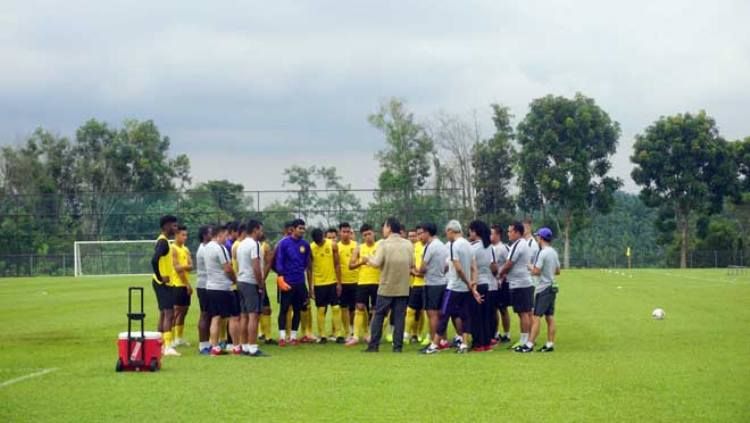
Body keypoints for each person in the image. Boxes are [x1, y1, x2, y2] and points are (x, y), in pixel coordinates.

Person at [362, 217, 414, 353]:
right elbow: (412, 264)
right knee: (399, 318)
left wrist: (367, 259)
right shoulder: (408, 244)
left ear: (389, 228)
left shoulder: (383, 244)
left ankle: (373, 345)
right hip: (403, 287)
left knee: (379, 315)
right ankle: (397, 347)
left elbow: (376, 263)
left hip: (386, 287)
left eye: (384, 227)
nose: (382, 230)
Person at [436, 220, 479, 354]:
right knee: (465, 316)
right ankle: (464, 344)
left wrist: (467, 283)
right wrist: (473, 285)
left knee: (443, 315)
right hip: (465, 289)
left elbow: (459, 269)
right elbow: (474, 268)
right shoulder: (468, 245)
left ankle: (434, 344)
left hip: (454, 286)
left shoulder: (454, 246)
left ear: (450, 231)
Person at [520, 227, 561, 353]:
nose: (537, 238)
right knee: (550, 317)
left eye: (538, 236)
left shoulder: (543, 253)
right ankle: (549, 344)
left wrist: (530, 268)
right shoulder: (553, 252)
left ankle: (529, 344)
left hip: (543, 288)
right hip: (552, 287)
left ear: (541, 238)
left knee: (536, 316)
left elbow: (536, 271)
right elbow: (558, 271)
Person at [205, 225, 241, 356]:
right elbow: (227, 268)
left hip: (211, 287)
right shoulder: (220, 248)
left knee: (216, 317)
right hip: (223, 287)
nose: (227, 238)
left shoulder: (207, 247)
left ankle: (214, 347)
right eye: (225, 235)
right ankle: (236, 346)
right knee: (234, 316)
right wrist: (235, 280)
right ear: (219, 235)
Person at [274, 219, 311, 346]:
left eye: (303, 228)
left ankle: (294, 336)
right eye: (300, 228)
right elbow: (279, 261)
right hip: (287, 281)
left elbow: (306, 263)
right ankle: (283, 337)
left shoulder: (305, 245)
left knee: (298, 309)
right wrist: (281, 277)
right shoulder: (284, 243)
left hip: (300, 282)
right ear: (293, 229)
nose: (302, 230)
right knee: (284, 309)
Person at [499, 221, 535, 351]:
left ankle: (524, 340)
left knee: (523, 313)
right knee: (525, 312)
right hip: (523, 282)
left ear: (517, 232)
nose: (508, 234)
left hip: (520, 284)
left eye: (510, 231)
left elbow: (509, 263)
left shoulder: (518, 245)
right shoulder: (523, 244)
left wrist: (500, 274)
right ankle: (528, 338)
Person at [236, 219, 269, 357]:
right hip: (251, 282)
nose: (261, 232)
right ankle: (253, 347)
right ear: (255, 229)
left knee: (244, 316)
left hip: (241, 281)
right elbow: (256, 265)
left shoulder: (241, 244)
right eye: (260, 229)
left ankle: (244, 346)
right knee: (253, 315)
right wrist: (260, 283)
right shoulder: (255, 245)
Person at [344, 224, 381, 346]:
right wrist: (361, 262)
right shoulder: (359, 248)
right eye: (365, 235)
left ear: (374, 233)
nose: (367, 237)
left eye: (369, 234)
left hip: (377, 282)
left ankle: (371, 334)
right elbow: (350, 265)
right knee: (359, 307)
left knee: (375, 309)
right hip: (363, 282)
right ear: (362, 236)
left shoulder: (380, 246)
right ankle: (355, 336)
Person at [418, 222, 449, 355]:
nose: (419, 237)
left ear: (427, 233)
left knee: (432, 315)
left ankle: (434, 342)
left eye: (420, 233)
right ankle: (442, 341)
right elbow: (447, 265)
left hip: (432, 284)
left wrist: (416, 270)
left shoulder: (430, 247)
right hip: (443, 282)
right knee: (441, 314)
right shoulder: (443, 245)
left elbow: (422, 268)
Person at [151, 215, 179, 356]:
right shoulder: (162, 242)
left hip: (162, 283)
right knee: (169, 313)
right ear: (166, 226)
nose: (175, 228)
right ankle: (167, 346)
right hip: (162, 283)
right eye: (173, 225)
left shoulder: (165, 241)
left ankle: (158, 345)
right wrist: (160, 276)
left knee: (164, 313)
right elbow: (154, 260)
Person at [309, 228, 343, 343]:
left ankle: (338, 335)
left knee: (336, 308)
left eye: (320, 241)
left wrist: (339, 282)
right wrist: (311, 286)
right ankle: (322, 335)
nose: (319, 243)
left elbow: (337, 264)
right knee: (321, 309)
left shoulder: (332, 245)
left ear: (323, 236)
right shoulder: (311, 247)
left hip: (332, 282)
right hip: (319, 283)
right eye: (316, 242)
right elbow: (309, 268)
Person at [468, 220, 496, 352]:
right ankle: (486, 342)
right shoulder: (490, 247)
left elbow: (469, 266)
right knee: (486, 315)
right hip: (487, 283)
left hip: (476, 283)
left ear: (475, 231)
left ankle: (478, 343)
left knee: (476, 316)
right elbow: (493, 265)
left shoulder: (473, 248)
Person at [170, 224, 193, 348]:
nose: (185, 237)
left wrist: (182, 266)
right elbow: (177, 269)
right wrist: (187, 284)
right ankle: (171, 339)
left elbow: (191, 266)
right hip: (177, 284)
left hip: (185, 285)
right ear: (176, 235)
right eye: (183, 235)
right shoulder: (172, 248)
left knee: (184, 311)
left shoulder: (186, 249)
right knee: (176, 312)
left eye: (186, 235)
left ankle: (179, 337)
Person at [336, 222, 358, 341]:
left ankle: (354, 329)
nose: (346, 234)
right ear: (340, 233)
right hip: (342, 282)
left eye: (348, 232)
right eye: (343, 232)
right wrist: (338, 283)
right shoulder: (337, 247)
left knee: (355, 308)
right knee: (343, 307)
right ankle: (347, 331)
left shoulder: (356, 245)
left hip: (356, 281)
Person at [491, 224, 512, 344]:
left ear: (498, 235)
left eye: (492, 233)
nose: (490, 236)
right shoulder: (490, 248)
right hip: (493, 283)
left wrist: (503, 276)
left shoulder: (502, 248)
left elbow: (509, 263)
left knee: (503, 309)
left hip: (502, 283)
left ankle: (507, 334)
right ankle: (495, 332)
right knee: (493, 309)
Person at [195, 225, 213, 354]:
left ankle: (207, 343)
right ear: (205, 235)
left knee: (208, 314)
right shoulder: (204, 249)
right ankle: (203, 345)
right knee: (205, 314)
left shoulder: (206, 248)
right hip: (204, 285)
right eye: (211, 233)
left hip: (207, 285)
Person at [406, 226, 426, 344]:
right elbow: (409, 266)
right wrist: (416, 273)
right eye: (412, 236)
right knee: (410, 310)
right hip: (414, 284)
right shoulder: (412, 248)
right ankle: (407, 334)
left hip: (427, 283)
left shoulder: (428, 246)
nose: (414, 238)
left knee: (423, 311)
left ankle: (417, 333)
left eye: (417, 235)